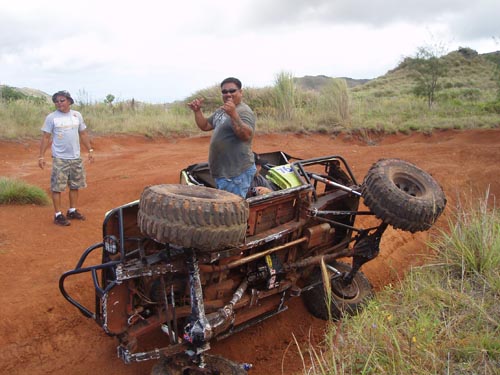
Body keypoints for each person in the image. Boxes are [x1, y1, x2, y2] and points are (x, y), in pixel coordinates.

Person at [187, 77, 256, 198]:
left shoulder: (244, 111)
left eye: (232, 90)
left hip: (235, 174)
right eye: (224, 91)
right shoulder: (222, 110)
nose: (228, 94)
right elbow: (206, 125)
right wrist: (197, 111)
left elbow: (246, 136)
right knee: (227, 208)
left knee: (232, 210)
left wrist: (233, 114)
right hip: (224, 173)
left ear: (241, 92)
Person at [38, 90, 94, 226]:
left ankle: (72, 210)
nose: (59, 103)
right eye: (56, 101)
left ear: (69, 101)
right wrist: (41, 156)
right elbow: (46, 137)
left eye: (62, 100)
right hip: (60, 158)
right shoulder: (52, 118)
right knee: (57, 187)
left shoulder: (77, 115)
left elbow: (83, 133)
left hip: (75, 157)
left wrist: (90, 150)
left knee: (75, 185)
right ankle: (58, 214)